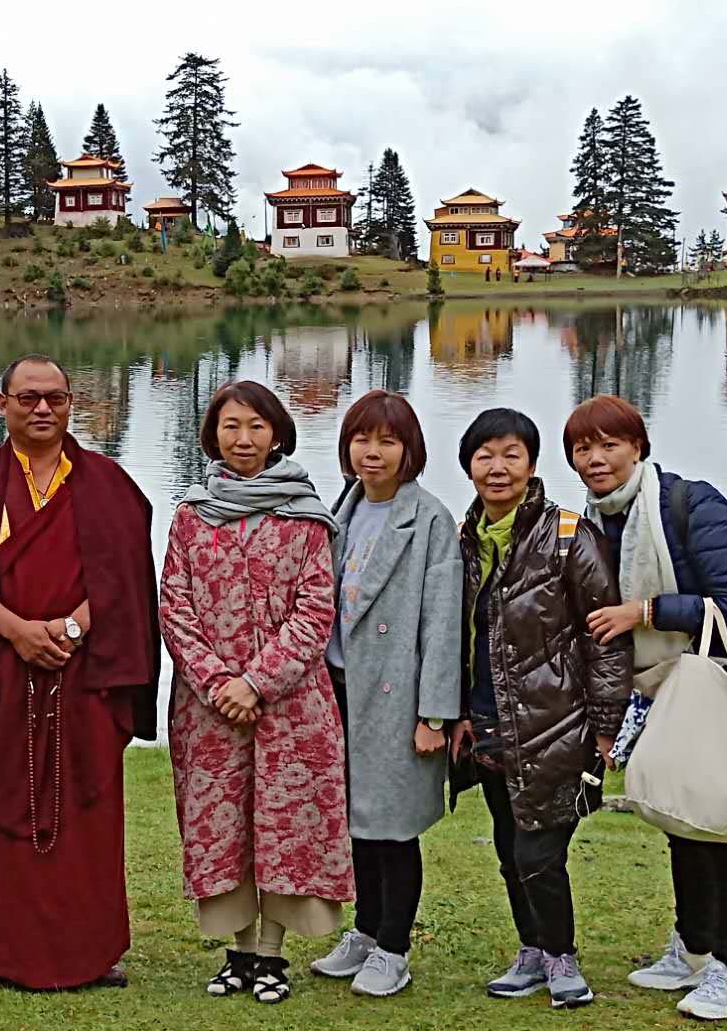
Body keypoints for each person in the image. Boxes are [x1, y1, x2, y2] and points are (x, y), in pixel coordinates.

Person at [0, 353, 161, 991]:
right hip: (1, 671)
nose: (43, 408)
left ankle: (91, 951)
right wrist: (17, 631)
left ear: (71, 402)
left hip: (86, 674)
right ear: (2, 404)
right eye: (28, 397)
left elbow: (127, 577)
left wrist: (72, 630)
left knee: (90, 810)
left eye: (55, 396)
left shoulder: (109, 484)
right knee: (0, 806)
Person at [565, 394, 727, 1022]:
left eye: (609, 445)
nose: (596, 458)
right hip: (662, 684)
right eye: (583, 448)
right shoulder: (593, 521)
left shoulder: (691, 504)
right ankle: (692, 947)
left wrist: (645, 611)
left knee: (722, 824)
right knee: (680, 815)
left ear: (637, 447)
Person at [158, 381, 351, 1005]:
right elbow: (175, 608)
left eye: (256, 427)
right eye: (231, 426)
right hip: (208, 709)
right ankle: (237, 952)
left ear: (277, 435)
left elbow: (314, 612)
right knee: (222, 826)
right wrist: (219, 683)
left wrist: (255, 682)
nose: (243, 439)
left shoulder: (305, 517)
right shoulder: (191, 515)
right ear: (213, 434)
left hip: (291, 706)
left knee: (285, 825)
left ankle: (272, 954)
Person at [454, 407, 632, 1011]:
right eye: (485, 456)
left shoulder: (567, 535)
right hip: (489, 722)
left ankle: (561, 956)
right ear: (469, 466)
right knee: (510, 848)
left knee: (539, 852)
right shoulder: (466, 538)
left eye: (512, 455)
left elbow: (604, 638)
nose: (497, 468)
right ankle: (532, 951)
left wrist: (606, 726)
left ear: (532, 465)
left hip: (557, 724)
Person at [306, 390, 462, 998]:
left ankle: (394, 948)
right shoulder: (340, 512)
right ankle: (366, 931)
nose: (373, 452)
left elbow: (442, 624)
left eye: (387, 441)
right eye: (362, 439)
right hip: (339, 690)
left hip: (397, 696)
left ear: (409, 449)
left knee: (394, 828)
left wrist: (434, 715)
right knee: (356, 822)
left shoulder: (429, 519)